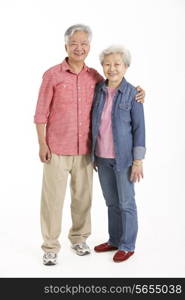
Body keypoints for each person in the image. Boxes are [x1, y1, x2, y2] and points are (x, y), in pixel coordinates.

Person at [34, 24, 145, 266]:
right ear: (66, 46)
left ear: (89, 47)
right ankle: (50, 246)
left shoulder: (94, 77)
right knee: (53, 200)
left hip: (86, 152)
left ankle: (79, 238)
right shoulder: (52, 75)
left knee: (83, 199)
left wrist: (138, 91)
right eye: (74, 43)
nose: (79, 47)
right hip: (57, 150)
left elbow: (118, 89)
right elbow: (40, 113)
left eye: (84, 44)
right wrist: (42, 144)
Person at [92, 45, 146, 262]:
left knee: (126, 202)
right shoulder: (97, 90)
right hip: (101, 158)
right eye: (107, 64)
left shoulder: (133, 94)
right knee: (111, 202)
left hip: (124, 160)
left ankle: (127, 244)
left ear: (125, 67)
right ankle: (114, 239)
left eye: (117, 64)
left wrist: (138, 161)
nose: (112, 68)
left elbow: (139, 129)